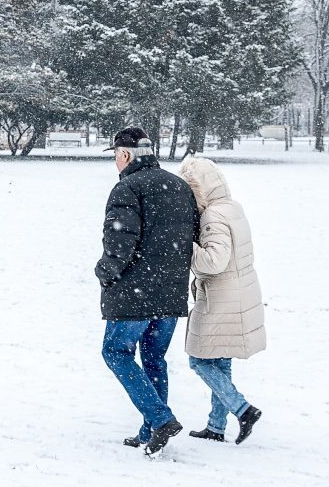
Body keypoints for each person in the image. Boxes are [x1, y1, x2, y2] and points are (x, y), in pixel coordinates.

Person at [95, 126, 201, 456]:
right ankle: (149, 430)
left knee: (116, 353)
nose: (115, 161)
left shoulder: (127, 188)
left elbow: (119, 243)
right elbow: (191, 237)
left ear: (125, 155)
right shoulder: (179, 186)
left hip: (135, 294)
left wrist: (104, 273)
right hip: (169, 295)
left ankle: (159, 419)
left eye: (115, 155)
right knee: (154, 359)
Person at [177, 156, 265, 445]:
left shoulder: (212, 216)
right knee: (221, 360)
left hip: (221, 296)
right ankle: (216, 427)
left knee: (199, 360)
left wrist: (184, 244)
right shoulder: (232, 208)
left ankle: (243, 409)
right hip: (240, 291)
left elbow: (214, 262)